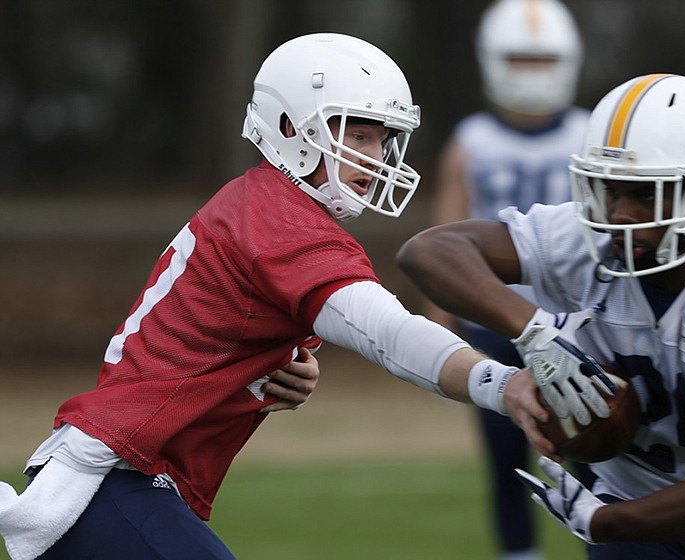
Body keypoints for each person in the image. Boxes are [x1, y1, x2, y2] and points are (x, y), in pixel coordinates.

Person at [0, 33, 565, 560]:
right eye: (358, 132)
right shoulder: (280, 221)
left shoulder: (261, 204)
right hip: (112, 477)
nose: (376, 156)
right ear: (293, 127)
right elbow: (390, 334)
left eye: (382, 137)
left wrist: (270, 367)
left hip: (122, 475)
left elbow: (211, 336)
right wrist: (505, 383)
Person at [398, 73, 685, 558]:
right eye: (611, 190)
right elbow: (429, 252)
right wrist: (534, 331)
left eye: (647, 193)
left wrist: (606, 521)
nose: (623, 214)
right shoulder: (589, 240)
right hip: (630, 499)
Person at [426, 1, 587, 558]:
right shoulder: (472, 139)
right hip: (493, 318)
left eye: (543, 60)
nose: (533, 72)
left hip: (573, 321)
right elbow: (444, 230)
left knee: (598, 449)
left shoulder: (590, 131)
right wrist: (437, 329)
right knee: (505, 459)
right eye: (521, 58)